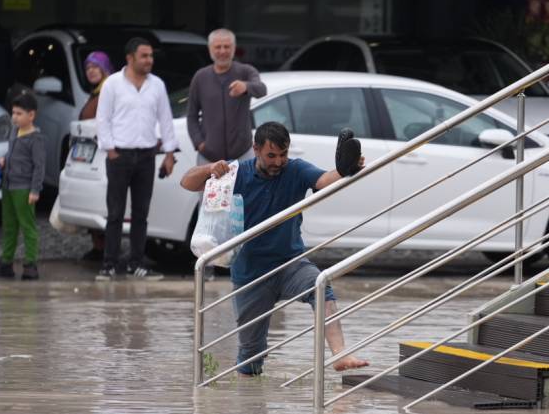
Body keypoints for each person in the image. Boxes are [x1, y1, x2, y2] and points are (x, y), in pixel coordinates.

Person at [179, 121, 369, 376]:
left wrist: (347, 169)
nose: (278, 162)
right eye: (271, 155)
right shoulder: (236, 172)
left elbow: (324, 180)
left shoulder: (296, 169)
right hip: (250, 273)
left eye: (283, 155)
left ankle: (340, 354)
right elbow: (187, 182)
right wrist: (210, 168)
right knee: (251, 357)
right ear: (255, 150)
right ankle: (248, 406)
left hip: (290, 262)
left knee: (321, 286)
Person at [95, 37, 177, 281]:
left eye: (151, 56)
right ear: (130, 58)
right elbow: (103, 119)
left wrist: (170, 154)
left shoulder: (157, 85)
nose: (149, 60)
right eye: (144, 56)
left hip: (146, 155)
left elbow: (166, 119)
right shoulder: (112, 84)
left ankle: (136, 262)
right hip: (119, 154)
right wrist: (110, 150)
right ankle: (109, 263)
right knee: (115, 212)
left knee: (141, 212)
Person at [0, 91, 46, 281]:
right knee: (9, 226)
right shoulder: (14, 132)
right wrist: (3, 159)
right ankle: (6, 262)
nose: (15, 117)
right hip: (9, 185)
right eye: (13, 113)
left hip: (24, 188)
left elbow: (39, 166)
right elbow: (12, 152)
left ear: (31, 115)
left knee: (27, 226)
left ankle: (30, 264)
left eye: (19, 113)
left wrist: (35, 190)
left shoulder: (36, 139)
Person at [187, 28, 266, 164]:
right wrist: (199, 143)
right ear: (210, 49)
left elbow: (262, 89)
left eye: (227, 47)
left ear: (234, 48)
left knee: (246, 186)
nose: (222, 51)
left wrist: (246, 87)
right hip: (208, 157)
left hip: (242, 155)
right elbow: (191, 115)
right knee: (204, 186)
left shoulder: (245, 71)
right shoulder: (201, 77)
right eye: (218, 47)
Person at [77, 50, 113, 261]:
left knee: (106, 201)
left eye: (94, 67)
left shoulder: (108, 91)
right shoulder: (96, 92)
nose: (90, 71)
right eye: (87, 68)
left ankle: (106, 248)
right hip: (92, 154)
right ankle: (98, 246)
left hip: (105, 154)